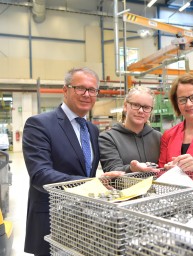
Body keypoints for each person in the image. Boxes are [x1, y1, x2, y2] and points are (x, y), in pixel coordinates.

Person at [22, 67, 101, 255]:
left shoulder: (92, 130)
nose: (87, 94)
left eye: (92, 90)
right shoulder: (39, 124)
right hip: (51, 220)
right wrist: (91, 184)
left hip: (83, 220)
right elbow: (40, 175)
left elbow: (87, 169)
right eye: (80, 88)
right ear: (65, 90)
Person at [99, 86, 161, 173]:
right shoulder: (108, 138)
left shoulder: (159, 138)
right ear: (125, 106)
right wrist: (131, 169)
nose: (140, 111)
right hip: (124, 187)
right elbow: (112, 170)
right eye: (136, 105)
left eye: (146, 107)